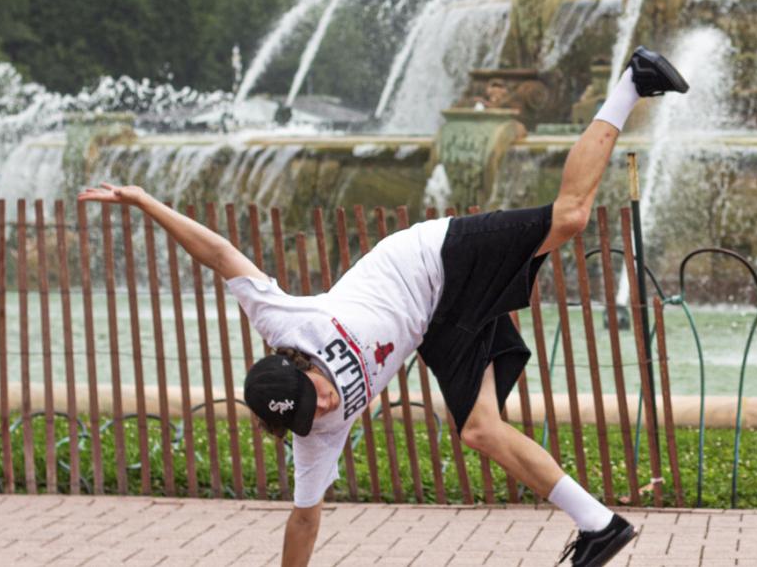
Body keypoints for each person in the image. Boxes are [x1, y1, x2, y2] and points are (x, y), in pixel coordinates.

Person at [78, 47, 689, 567]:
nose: (326, 404)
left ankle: (633, 80)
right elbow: (303, 521)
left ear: (294, 359)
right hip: (437, 321)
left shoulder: (283, 319)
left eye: (315, 389)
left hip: (432, 258)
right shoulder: (315, 434)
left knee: (570, 218)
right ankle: (600, 525)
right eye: (310, 414)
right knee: (479, 429)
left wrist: (142, 202)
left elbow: (217, 253)